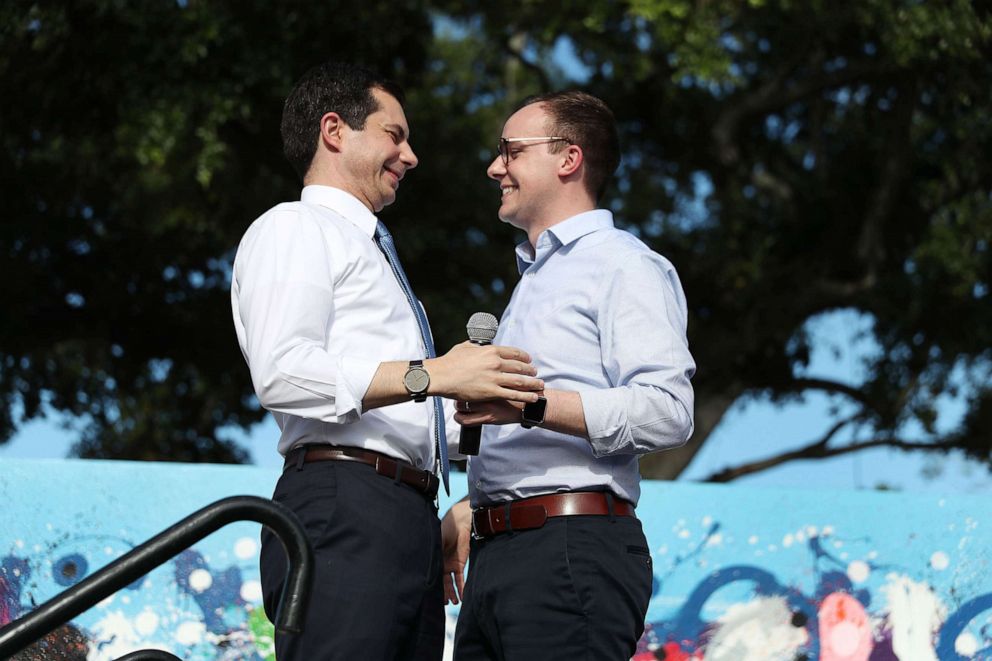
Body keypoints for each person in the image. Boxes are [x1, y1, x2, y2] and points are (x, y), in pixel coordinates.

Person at [230, 62, 544, 661]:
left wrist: (487, 418)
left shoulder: (377, 259)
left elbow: (410, 419)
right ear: (334, 131)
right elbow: (284, 373)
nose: (411, 156)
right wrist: (433, 375)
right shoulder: (294, 227)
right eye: (394, 135)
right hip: (342, 502)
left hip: (409, 516)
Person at [441, 91, 696, 660]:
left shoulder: (624, 265)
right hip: (497, 556)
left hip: (568, 551)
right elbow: (503, 430)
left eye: (510, 151)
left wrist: (531, 404)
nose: (494, 167)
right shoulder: (534, 276)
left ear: (568, 159)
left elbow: (668, 411)